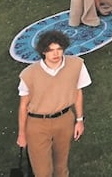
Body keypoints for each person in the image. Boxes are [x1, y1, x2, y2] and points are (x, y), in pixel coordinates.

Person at [17, 30, 91, 177]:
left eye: (59, 49)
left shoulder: (76, 65)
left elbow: (78, 93)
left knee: (61, 167)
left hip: (64, 120)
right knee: (42, 172)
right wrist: (22, 134)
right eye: (51, 50)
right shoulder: (29, 74)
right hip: (37, 125)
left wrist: (79, 120)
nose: (56, 54)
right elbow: (23, 106)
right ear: (43, 52)